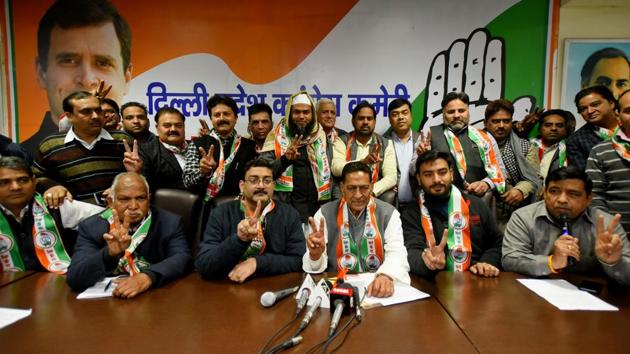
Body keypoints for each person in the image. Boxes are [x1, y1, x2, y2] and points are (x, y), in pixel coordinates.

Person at [22, 0, 132, 156]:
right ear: (41, 73)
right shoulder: (27, 156)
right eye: (68, 60)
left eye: (103, 63)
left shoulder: (131, 148)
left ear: (127, 78)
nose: (87, 80)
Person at [67, 172, 193, 297]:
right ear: (111, 201)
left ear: (149, 199)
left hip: (154, 297)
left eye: (140, 198)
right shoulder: (91, 227)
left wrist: (147, 277)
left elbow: (182, 258)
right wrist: (109, 254)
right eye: (124, 199)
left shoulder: (169, 222)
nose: (133, 206)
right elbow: (74, 278)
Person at [503, 167, 630, 285]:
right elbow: (510, 259)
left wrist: (614, 262)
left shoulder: (607, 225)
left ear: (589, 199)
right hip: (536, 291)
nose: (562, 199)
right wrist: (552, 262)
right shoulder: (524, 217)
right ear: (544, 193)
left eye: (573, 194)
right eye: (554, 191)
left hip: (593, 297)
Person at [304, 162, 410, 297]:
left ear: (371, 187)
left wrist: (386, 275)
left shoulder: (388, 213)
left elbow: (397, 251)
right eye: (352, 188)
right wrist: (315, 255)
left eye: (364, 188)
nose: (358, 195)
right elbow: (314, 266)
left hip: (376, 287)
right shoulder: (324, 214)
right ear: (342, 187)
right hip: (339, 289)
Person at [195, 159, 304, 282]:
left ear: (273, 185)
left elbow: (299, 260)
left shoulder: (289, 214)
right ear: (242, 186)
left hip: (272, 286)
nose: (261, 185)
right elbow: (204, 265)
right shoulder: (221, 213)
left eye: (267, 181)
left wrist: (257, 263)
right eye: (254, 180)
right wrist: (239, 239)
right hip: (227, 286)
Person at [402, 150, 503, 278]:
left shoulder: (476, 204)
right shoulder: (411, 213)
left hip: (477, 278)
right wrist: (428, 263)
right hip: (435, 281)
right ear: (419, 179)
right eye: (428, 175)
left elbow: (497, 243)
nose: (436, 180)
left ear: (451, 174)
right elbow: (412, 251)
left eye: (442, 172)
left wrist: (485, 264)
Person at [0, 157, 103, 272]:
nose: (16, 187)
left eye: (23, 180)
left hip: (61, 283)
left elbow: (107, 217)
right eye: (4, 182)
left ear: (34, 181)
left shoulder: (56, 205)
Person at [33, 91, 133, 207]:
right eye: (86, 112)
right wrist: (51, 186)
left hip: (117, 211)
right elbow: (36, 177)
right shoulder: (51, 145)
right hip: (75, 215)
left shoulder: (122, 140)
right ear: (69, 116)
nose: (95, 116)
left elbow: (138, 176)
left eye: (98, 110)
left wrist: (121, 186)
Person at [412, 92, 506, 198]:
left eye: (461, 111)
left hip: (475, 201)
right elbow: (412, 171)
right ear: (443, 114)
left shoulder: (485, 137)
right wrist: (421, 157)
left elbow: (501, 171)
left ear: (468, 111)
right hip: (438, 201)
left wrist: (486, 183)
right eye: (451, 112)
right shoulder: (428, 135)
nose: (456, 115)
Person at [261, 91, 332, 222]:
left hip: (317, 210)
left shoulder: (320, 136)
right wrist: (285, 160)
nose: (301, 116)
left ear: (313, 115)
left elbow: (331, 170)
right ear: (289, 113)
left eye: (306, 112)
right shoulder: (276, 136)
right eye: (297, 112)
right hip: (285, 210)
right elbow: (262, 173)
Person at [183, 94, 258, 202]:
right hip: (206, 211)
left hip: (240, 208)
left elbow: (255, 181)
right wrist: (202, 173)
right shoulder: (197, 144)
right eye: (217, 115)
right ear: (211, 119)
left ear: (235, 118)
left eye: (226, 114)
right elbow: (187, 183)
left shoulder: (250, 146)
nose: (222, 118)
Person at [483, 99, 540, 229]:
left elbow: (535, 177)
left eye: (506, 121)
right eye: (496, 121)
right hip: (481, 211)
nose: (501, 125)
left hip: (514, 213)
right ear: (486, 123)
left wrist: (520, 190)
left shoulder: (525, 147)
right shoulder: (473, 145)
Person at [331, 101, 397, 204]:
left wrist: (371, 190)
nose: (365, 122)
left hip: (374, 194)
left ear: (374, 122)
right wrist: (362, 162)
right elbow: (336, 168)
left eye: (369, 118)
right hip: (347, 193)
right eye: (361, 118)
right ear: (353, 121)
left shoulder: (386, 144)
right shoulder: (342, 141)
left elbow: (391, 177)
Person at [586, 89, 630, 232]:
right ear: (619, 116)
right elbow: (595, 197)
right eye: (629, 111)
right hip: (617, 240)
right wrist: (610, 229)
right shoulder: (600, 151)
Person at [129, 107, 188, 191]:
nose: (173, 129)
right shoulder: (146, 151)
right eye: (167, 125)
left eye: (178, 125)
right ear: (157, 127)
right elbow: (145, 188)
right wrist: (136, 173)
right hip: (165, 203)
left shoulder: (196, 147)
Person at [566, 85, 618, 172]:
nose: (590, 111)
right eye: (583, 109)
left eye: (595, 104)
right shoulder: (576, 140)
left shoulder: (626, 124)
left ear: (611, 103)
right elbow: (586, 176)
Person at [383, 98, 420, 207]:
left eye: (404, 113)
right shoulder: (383, 143)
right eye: (395, 114)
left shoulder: (422, 140)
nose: (400, 117)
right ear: (390, 119)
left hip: (417, 205)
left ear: (411, 116)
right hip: (391, 205)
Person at [527, 109, 574, 180]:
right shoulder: (526, 146)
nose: (554, 128)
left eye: (559, 125)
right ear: (540, 128)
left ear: (566, 130)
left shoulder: (572, 150)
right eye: (548, 125)